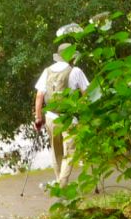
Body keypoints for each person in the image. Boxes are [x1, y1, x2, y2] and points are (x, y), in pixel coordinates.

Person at [33, 42, 90, 188]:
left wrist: (38, 118)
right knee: (70, 151)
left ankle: (59, 182)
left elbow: (39, 96)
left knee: (56, 151)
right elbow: (87, 94)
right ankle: (62, 184)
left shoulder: (47, 71)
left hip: (51, 117)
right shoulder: (75, 71)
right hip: (69, 118)